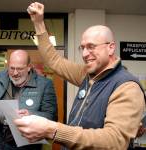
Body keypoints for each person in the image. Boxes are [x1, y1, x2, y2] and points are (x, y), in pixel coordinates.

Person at [14, 2, 145, 150]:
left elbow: (114, 141)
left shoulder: (127, 87)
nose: (84, 54)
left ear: (111, 47)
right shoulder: (88, 74)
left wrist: (52, 129)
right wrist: (38, 23)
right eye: (82, 48)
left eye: (91, 47)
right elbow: (54, 61)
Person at [0, 49, 58, 150]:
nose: (15, 73)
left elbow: (51, 117)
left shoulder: (45, 85)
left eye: (20, 69)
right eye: (12, 68)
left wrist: (31, 114)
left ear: (29, 67)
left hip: (28, 144)